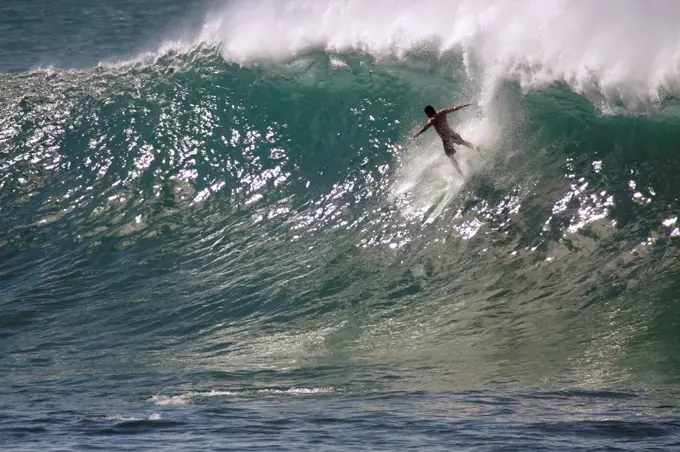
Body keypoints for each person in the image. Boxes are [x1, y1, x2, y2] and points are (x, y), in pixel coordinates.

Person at [412, 104, 476, 172]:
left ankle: (460, 173)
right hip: (452, 134)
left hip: (446, 140)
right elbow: (454, 108)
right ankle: (477, 148)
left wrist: (418, 133)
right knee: (464, 143)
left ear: (430, 112)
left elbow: (426, 127)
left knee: (451, 157)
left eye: (426, 113)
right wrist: (465, 105)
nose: (427, 115)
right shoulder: (442, 112)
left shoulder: (432, 120)